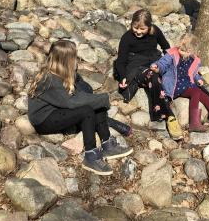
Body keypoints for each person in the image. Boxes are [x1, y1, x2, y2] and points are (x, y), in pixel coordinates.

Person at [28, 40, 133, 176]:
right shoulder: (49, 79)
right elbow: (71, 102)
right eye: (74, 57)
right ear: (66, 60)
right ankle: (90, 156)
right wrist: (104, 98)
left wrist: (96, 98)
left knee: (95, 103)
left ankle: (107, 145)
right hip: (44, 119)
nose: (76, 60)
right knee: (87, 111)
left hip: (58, 109)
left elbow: (85, 92)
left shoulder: (64, 73)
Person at [114, 9, 183, 140]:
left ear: (149, 27)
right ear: (131, 24)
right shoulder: (127, 38)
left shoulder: (155, 31)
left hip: (154, 61)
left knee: (168, 73)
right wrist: (123, 77)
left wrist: (170, 62)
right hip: (136, 67)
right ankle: (169, 116)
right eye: (135, 28)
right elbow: (121, 61)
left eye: (142, 29)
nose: (138, 31)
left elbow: (166, 48)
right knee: (153, 76)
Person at [151, 33, 209, 132]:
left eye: (186, 51)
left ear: (191, 51)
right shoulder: (172, 54)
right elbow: (163, 63)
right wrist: (157, 67)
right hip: (174, 86)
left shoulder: (193, 59)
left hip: (187, 84)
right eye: (181, 49)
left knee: (205, 96)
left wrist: (198, 79)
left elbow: (193, 72)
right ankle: (194, 123)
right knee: (196, 92)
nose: (182, 52)